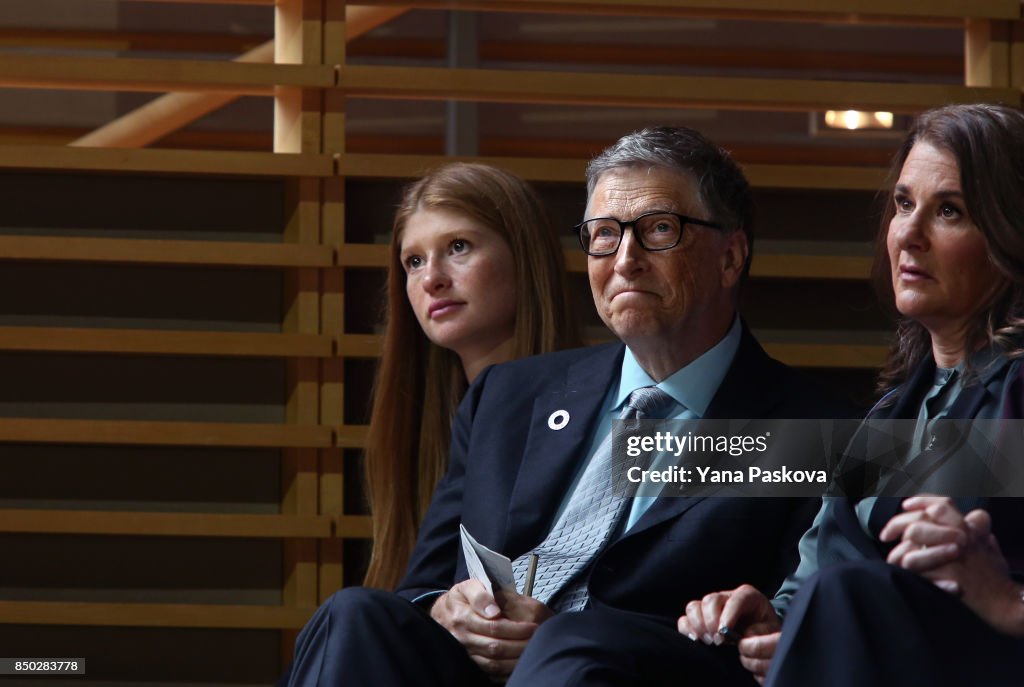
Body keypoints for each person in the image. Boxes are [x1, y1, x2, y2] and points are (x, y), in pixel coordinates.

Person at [284, 127, 851, 687]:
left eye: (658, 229)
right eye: (604, 235)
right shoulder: (508, 396)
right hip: (470, 672)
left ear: (731, 256)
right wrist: (444, 610)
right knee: (354, 614)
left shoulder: (817, 431)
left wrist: (559, 637)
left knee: (574, 643)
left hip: (625, 672)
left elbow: (787, 635)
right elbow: (419, 588)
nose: (625, 259)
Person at [674, 103, 1024, 687]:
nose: (909, 234)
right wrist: (779, 621)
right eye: (904, 204)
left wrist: (1008, 600)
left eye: (950, 211)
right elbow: (823, 575)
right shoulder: (892, 412)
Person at [363, 162, 579, 590]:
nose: (432, 280)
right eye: (414, 261)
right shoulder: (418, 432)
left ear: (525, 256)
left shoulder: (624, 402)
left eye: (458, 246)